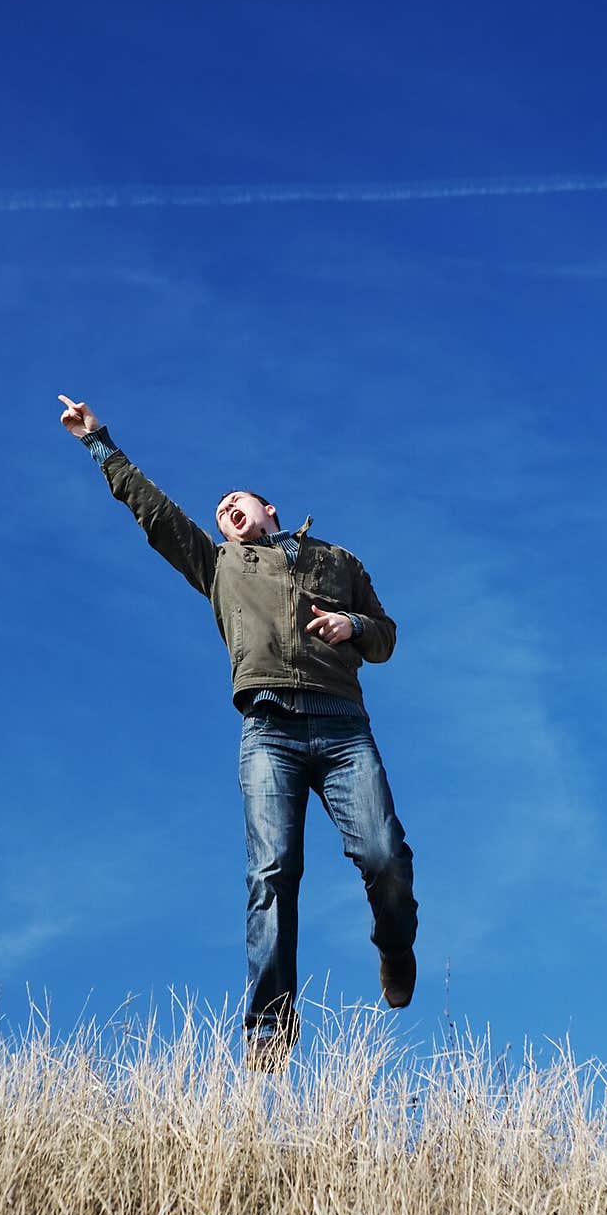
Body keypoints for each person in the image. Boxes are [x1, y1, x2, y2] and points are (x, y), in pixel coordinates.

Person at [58, 395, 419, 1070]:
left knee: (383, 856)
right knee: (272, 873)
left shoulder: (337, 560)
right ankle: (269, 1028)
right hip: (268, 731)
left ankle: (396, 946)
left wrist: (355, 627)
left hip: (342, 728)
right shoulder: (220, 565)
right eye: (220, 509)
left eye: (237, 501)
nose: (227, 509)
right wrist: (99, 443)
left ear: (270, 508)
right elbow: (154, 512)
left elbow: (387, 636)